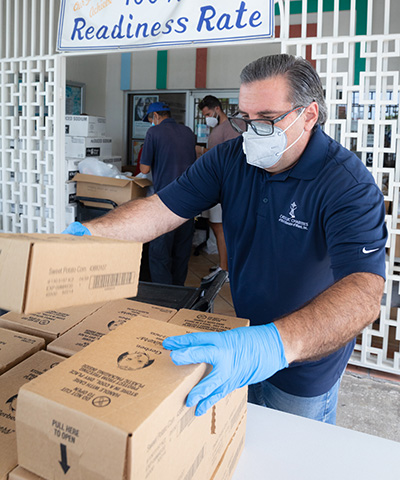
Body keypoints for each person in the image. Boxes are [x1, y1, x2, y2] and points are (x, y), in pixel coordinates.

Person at [64, 54, 386, 424]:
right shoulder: (230, 158)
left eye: (266, 120)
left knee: (291, 456)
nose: (250, 132)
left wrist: (275, 344)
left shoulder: (346, 184)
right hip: (237, 336)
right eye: (244, 119)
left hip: (304, 355)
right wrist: (91, 234)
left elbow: (363, 291)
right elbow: (161, 210)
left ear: (309, 115)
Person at [139, 101, 196, 285]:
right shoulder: (188, 132)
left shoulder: (153, 132)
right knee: (181, 251)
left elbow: (144, 168)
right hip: (189, 201)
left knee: (160, 252)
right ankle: (178, 292)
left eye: (150, 119)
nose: (150, 123)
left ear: (155, 116)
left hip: (165, 202)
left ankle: (163, 296)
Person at [198, 95, 238, 284]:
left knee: (220, 226)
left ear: (216, 109)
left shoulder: (230, 127)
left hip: (225, 184)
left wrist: (202, 153)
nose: (207, 118)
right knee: (217, 225)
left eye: (207, 114)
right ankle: (224, 266)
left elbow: (230, 155)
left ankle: (226, 269)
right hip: (216, 183)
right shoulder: (218, 128)